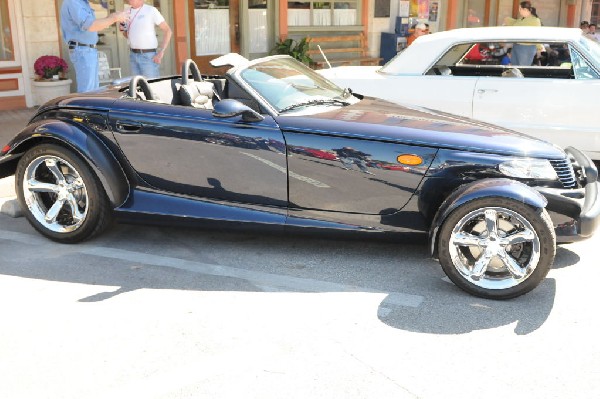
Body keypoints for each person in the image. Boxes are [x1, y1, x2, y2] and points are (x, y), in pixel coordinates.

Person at [60, 0, 127, 92]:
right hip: (82, 50)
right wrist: (114, 18)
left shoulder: (83, 3)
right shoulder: (73, 2)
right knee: (88, 92)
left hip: (87, 49)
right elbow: (91, 26)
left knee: (94, 90)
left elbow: (94, 24)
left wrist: (111, 17)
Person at [120, 0, 172, 78]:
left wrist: (161, 52)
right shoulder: (125, 12)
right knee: (138, 87)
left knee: (152, 86)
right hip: (133, 55)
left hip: (148, 56)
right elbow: (128, 35)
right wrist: (122, 30)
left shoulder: (151, 10)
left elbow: (168, 30)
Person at [503, 1, 541, 66]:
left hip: (526, 47)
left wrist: (539, 48)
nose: (519, 11)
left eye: (520, 9)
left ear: (525, 9)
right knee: (515, 68)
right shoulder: (521, 19)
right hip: (517, 45)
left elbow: (537, 35)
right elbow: (515, 23)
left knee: (522, 68)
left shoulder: (535, 20)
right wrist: (507, 19)